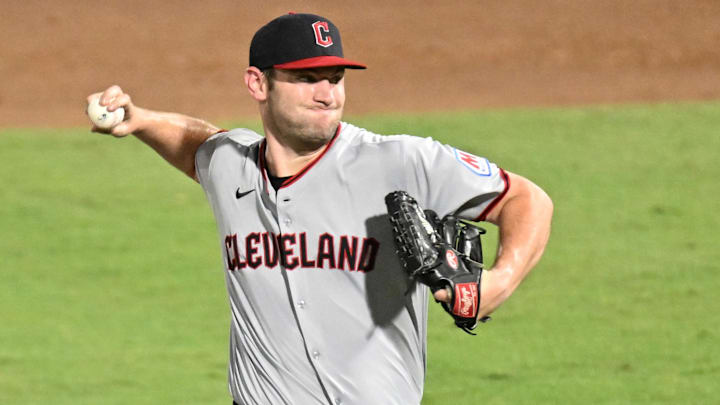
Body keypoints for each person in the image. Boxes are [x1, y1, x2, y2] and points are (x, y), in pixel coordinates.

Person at [87, 13, 553, 405]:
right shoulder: (229, 166)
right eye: (306, 79)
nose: (326, 94)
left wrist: (500, 280)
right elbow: (197, 145)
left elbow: (525, 198)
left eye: (334, 78)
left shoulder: (400, 161)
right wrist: (143, 120)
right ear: (258, 83)